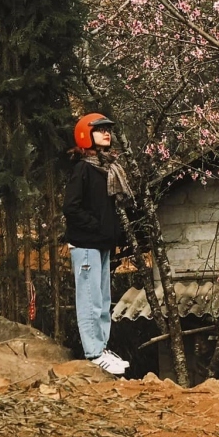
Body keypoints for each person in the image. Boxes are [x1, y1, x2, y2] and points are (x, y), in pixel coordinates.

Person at [64, 112, 132, 376]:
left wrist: (112, 234)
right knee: (90, 300)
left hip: (101, 245)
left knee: (103, 301)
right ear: (85, 135)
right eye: (100, 129)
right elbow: (71, 207)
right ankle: (93, 354)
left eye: (108, 129)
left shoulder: (107, 169)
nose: (107, 133)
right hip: (85, 245)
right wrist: (97, 227)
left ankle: (101, 349)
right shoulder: (83, 169)